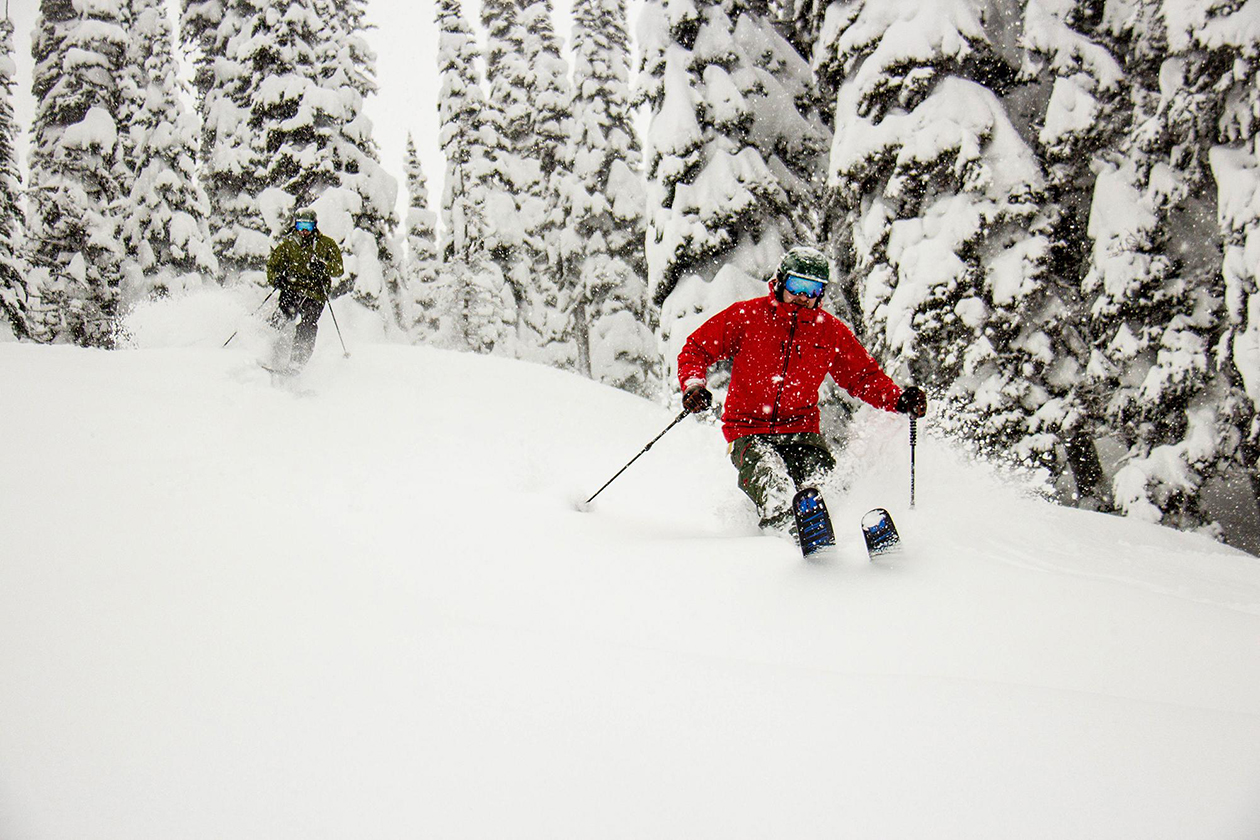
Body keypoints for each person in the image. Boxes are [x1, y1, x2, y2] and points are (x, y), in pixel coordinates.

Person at [677, 246, 928, 530]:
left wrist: (898, 399)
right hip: (748, 431)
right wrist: (694, 385)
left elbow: (863, 376)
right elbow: (695, 349)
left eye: (813, 289)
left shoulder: (829, 331)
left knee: (820, 488)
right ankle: (789, 538)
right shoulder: (748, 316)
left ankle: (837, 541)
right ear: (782, 282)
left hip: (802, 432)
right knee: (771, 482)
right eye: (797, 285)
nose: (803, 296)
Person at [266, 208, 344, 370]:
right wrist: (278, 280)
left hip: (315, 293)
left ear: (314, 226)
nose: (303, 231)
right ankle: (269, 352)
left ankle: (297, 361)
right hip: (292, 289)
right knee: (283, 317)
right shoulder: (288, 245)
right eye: (301, 226)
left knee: (308, 323)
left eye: (307, 227)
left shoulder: (326, 244)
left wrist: (323, 267)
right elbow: (272, 266)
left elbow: (339, 269)